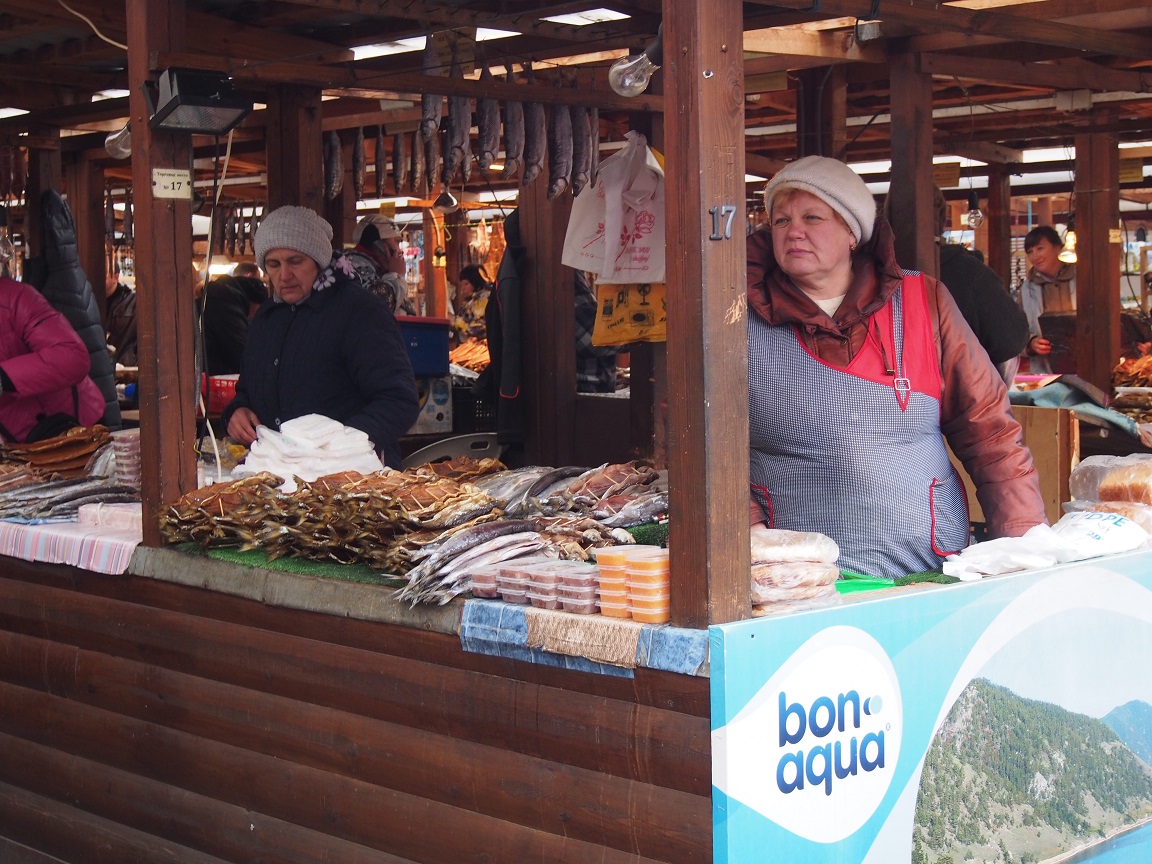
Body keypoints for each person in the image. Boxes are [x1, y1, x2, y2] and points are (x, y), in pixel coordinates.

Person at [746, 155, 1045, 579]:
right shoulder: (738, 318)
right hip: (796, 578)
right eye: (781, 220)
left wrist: (1022, 541)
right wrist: (748, 527)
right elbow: (702, 443)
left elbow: (989, 431)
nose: (794, 231)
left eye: (812, 217)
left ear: (852, 232)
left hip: (930, 566)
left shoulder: (923, 301)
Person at [220, 205, 420, 468]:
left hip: (352, 478)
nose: (284, 275)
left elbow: (398, 400)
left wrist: (334, 447)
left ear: (318, 260)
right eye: (273, 264)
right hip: (280, 476)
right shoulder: (266, 318)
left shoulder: (359, 312)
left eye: (295, 261)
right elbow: (247, 391)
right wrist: (237, 412)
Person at [0, 243, 105, 442]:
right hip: (17, 443)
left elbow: (73, 356)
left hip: (71, 428)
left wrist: (3, 378)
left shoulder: (16, 298)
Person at [931, 188, 1030, 385]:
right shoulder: (966, 272)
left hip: (885, 398)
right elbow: (1011, 339)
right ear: (941, 219)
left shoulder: (874, 271)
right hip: (959, 395)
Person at [1016, 225, 1076, 375]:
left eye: (1040, 248)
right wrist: (1030, 343)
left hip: (1089, 367)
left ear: (1058, 247)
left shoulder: (1083, 278)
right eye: (1030, 252)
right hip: (1045, 372)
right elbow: (1015, 329)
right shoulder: (1027, 289)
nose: (1035, 256)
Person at [198, 263, 267, 376]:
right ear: (254, 302)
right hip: (208, 375)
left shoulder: (220, 298)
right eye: (259, 310)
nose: (255, 316)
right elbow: (244, 356)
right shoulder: (228, 307)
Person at [345, 214, 414, 315]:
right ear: (379, 243)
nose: (400, 251)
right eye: (396, 242)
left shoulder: (378, 268)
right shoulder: (353, 264)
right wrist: (396, 275)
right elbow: (378, 308)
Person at [104, 264, 138, 367]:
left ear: (116, 277)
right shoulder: (90, 301)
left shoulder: (132, 302)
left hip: (123, 366)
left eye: (104, 274)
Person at [452, 264, 491, 345]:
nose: (463, 288)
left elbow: (480, 328)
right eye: (462, 285)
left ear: (475, 282)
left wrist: (454, 321)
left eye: (466, 284)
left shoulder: (484, 298)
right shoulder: (469, 300)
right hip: (468, 345)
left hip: (481, 347)